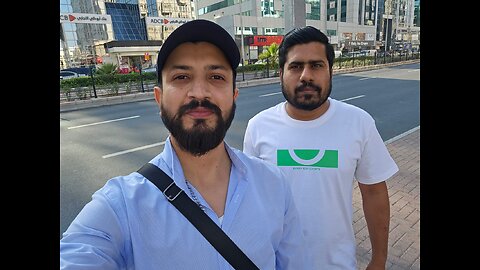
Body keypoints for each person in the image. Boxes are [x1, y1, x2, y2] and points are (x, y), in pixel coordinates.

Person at [60, 19, 312, 270]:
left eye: (216, 76)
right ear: (159, 99)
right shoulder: (120, 205)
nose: (199, 92)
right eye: (181, 77)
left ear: (234, 95)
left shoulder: (273, 185)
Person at [243, 26, 399, 270]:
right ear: (280, 73)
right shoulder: (258, 127)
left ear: (330, 72)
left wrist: (379, 259)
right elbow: (252, 200)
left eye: (317, 65)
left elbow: (375, 193)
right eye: (295, 66)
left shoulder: (359, 123)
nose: (306, 75)